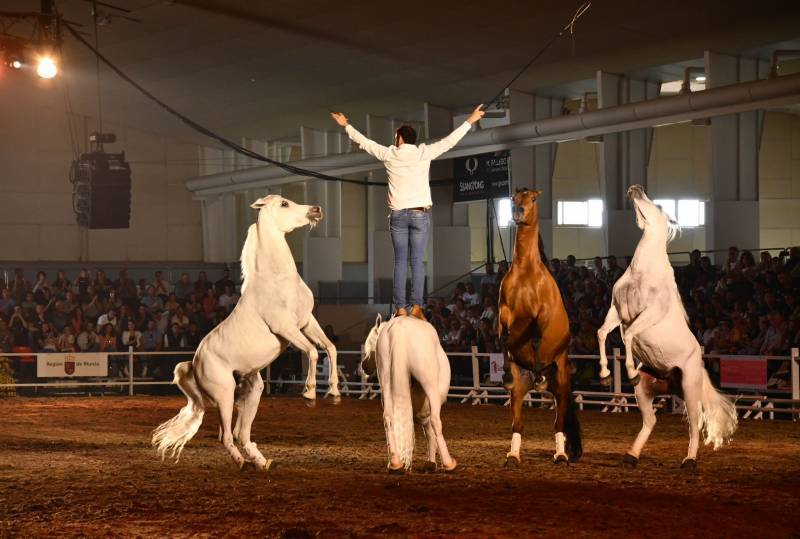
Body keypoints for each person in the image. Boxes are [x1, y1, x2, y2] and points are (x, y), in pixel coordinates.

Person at [331, 104, 485, 319]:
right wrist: (470, 119)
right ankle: (417, 306)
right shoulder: (424, 152)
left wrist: (346, 125)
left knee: (401, 261)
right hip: (420, 214)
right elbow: (450, 141)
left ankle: (401, 307)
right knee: (416, 260)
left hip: (398, 216)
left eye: (396, 136)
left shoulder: (390, 154)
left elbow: (364, 143)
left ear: (400, 138)